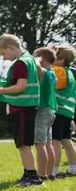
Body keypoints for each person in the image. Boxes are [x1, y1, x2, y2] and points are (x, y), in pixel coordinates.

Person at [0, 35, 42, 187]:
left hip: (21, 107)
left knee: (23, 144)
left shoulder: (20, 63)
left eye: (3, 53)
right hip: (28, 106)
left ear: (11, 48)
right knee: (23, 143)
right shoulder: (30, 60)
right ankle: (28, 173)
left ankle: (32, 176)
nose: (4, 58)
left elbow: (20, 86)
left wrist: (1, 90)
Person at [32, 47, 58, 180]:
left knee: (40, 143)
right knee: (48, 143)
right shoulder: (52, 73)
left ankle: (41, 175)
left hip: (42, 110)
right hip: (52, 110)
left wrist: (37, 58)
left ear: (41, 58)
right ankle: (50, 173)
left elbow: (35, 66)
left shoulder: (45, 73)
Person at [52, 45, 76, 177]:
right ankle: (73, 169)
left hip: (58, 110)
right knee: (66, 141)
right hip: (68, 111)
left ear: (61, 60)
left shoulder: (59, 71)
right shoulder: (70, 73)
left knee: (54, 141)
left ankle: (53, 171)